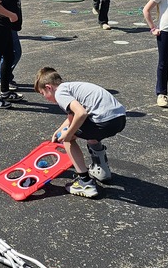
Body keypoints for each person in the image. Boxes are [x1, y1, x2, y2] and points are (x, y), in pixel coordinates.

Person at [34, 67, 127, 200]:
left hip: (102, 120)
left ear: (48, 87)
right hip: (119, 119)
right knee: (90, 136)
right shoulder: (70, 87)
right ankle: (102, 171)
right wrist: (59, 129)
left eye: (42, 93)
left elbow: (81, 113)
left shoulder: (60, 93)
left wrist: (68, 134)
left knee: (68, 138)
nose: (45, 98)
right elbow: (73, 115)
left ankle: (85, 182)